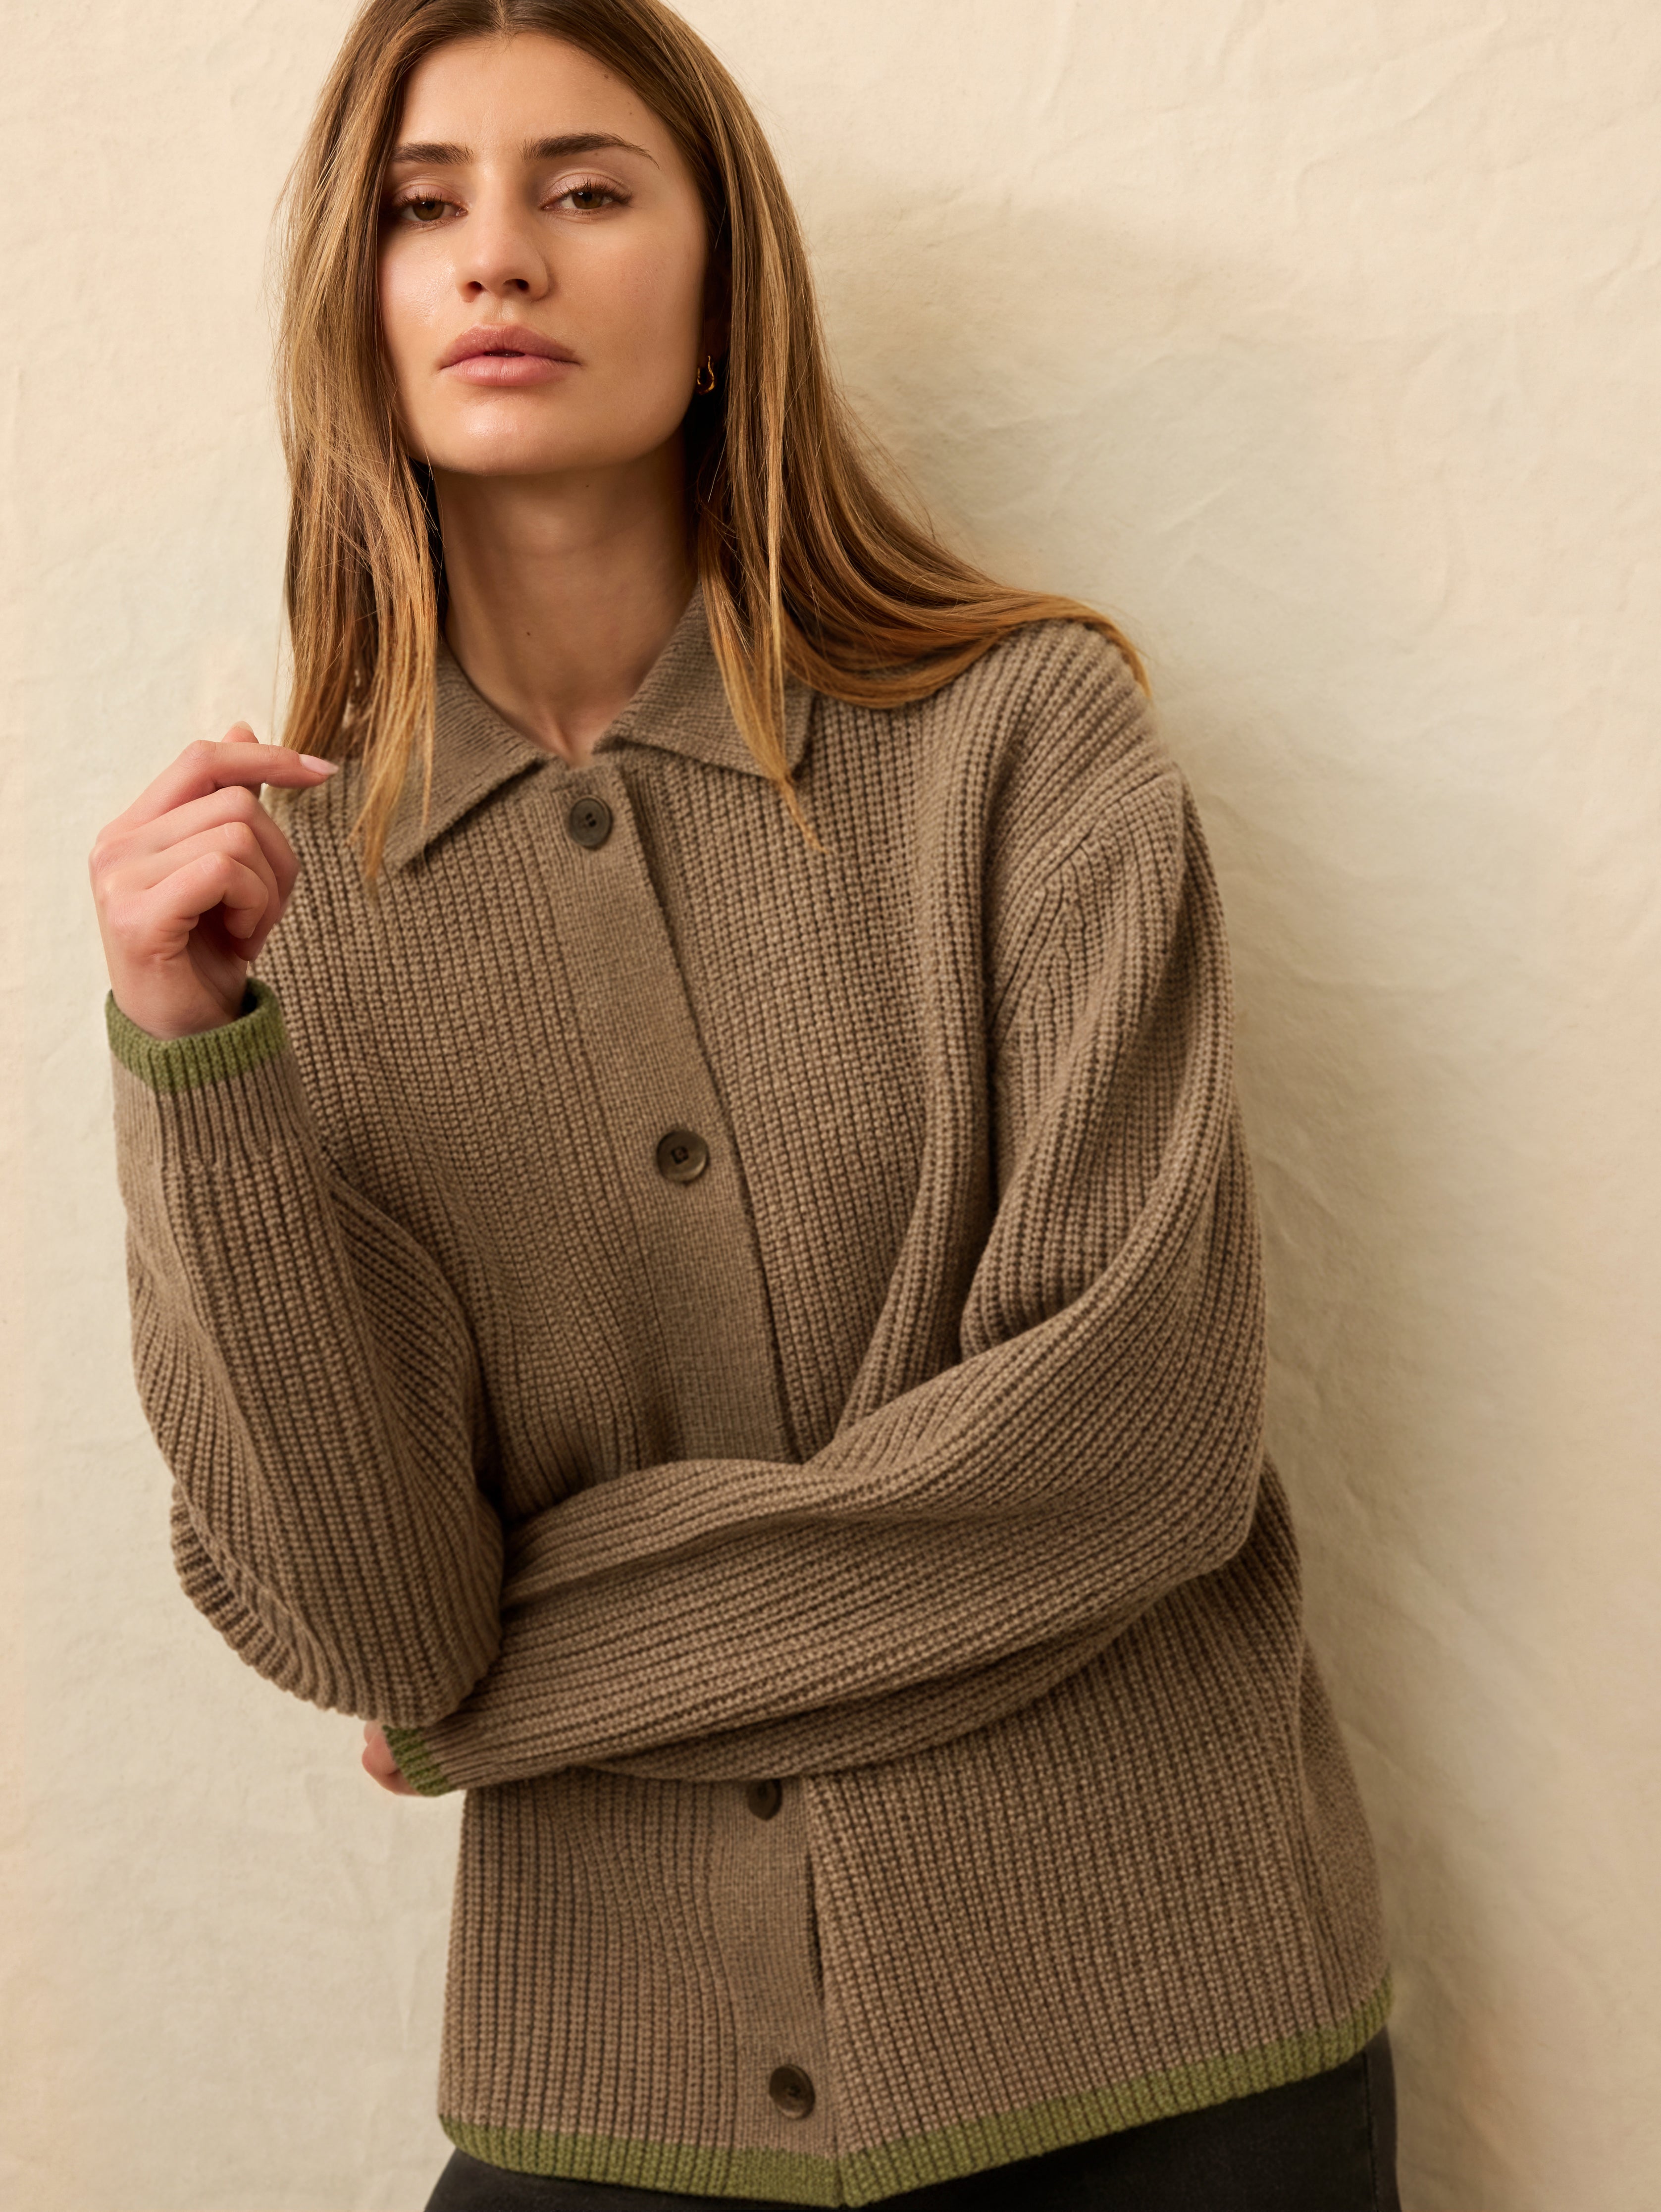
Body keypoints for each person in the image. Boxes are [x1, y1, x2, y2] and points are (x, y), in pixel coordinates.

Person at [89, 2, 1401, 2207]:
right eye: (425, 209)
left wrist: (500, 1699)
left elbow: (1133, 1445)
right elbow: (373, 1617)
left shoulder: (1023, 746)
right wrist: (188, 1065)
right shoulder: (283, 914)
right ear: (359, 299)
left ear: (723, 290)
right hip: (620, 2091)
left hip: (1171, 2068)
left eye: (584, 190)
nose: (498, 257)